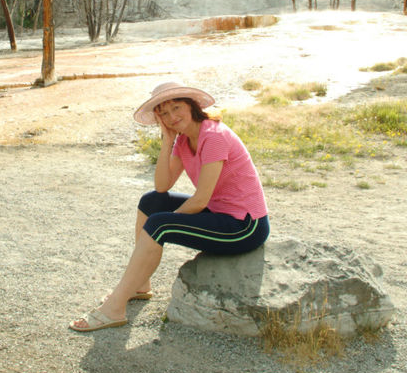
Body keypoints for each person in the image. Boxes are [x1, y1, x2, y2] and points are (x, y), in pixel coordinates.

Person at [70, 82, 270, 332]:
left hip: (246, 226)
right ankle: (141, 284)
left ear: (192, 106)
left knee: (159, 224)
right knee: (151, 201)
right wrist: (167, 142)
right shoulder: (184, 140)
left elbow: (200, 200)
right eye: (163, 113)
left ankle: (114, 308)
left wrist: (164, 225)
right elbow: (162, 186)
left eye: (177, 108)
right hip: (220, 213)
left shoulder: (214, 136)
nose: (172, 117)